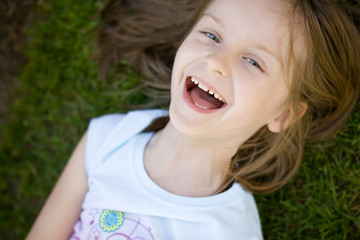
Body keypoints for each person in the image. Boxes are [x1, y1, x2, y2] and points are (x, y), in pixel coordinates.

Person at [27, 0, 360, 239]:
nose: (216, 61)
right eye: (212, 36)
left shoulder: (231, 231)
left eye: (253, 62)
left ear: (283, 113)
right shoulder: (107, 139)